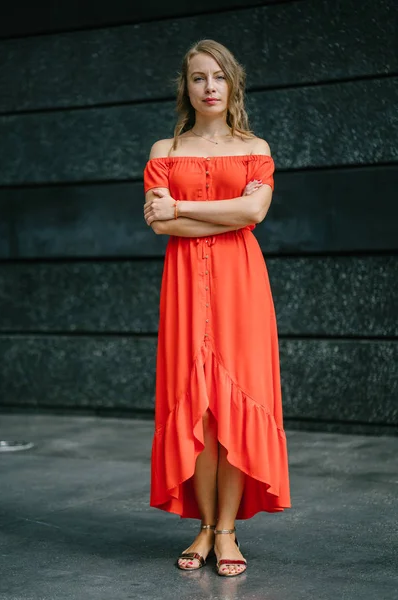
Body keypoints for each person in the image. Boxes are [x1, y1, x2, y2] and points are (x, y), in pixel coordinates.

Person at [143, 39, 291, 577]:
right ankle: (204, 525)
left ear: (233, 85)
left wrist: (182, 205)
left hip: (241, 285)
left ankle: (227, 530)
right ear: (185, 86)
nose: (209, 87)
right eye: (198, 77)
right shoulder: (165, 150)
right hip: (184, 285)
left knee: (235, 404)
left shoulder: (256, 146)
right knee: (200, 412)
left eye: (219, 77)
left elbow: (254, 211)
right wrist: (222, 213)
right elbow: (160, 225)